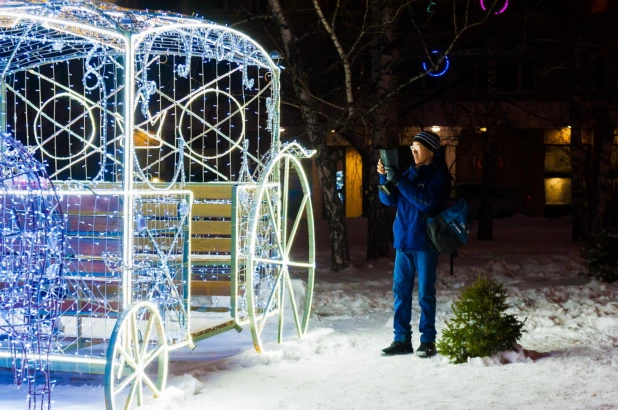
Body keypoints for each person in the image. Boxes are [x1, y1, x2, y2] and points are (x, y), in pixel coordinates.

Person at [377, 131, 451, 358]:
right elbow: (388, 199)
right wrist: (385, 177)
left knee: (426, 293)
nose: (412, 151)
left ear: (430, 150)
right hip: (403, 242)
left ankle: (428, 340)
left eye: (417, 147)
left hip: (426, 243)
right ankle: (401, 339)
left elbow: (426, 202)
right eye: (411, 147)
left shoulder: (439, 176)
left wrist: (400, 180)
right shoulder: (408, 173)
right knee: (401, 292)